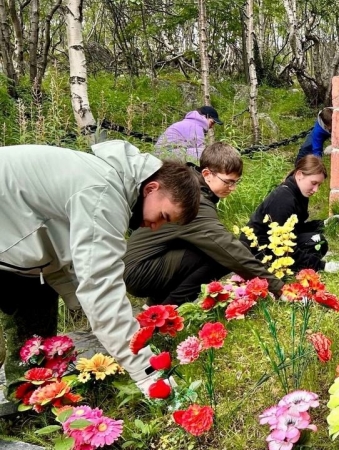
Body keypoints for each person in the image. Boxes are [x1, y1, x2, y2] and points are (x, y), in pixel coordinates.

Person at [0, 140, 200, 394]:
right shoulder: (103, 194)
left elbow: (61, 247)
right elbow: (101, 290)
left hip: (12, 246)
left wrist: (80, 306)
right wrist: (148, 374)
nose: (155, 226)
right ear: (151, 188)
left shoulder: (102, 178)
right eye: (163, 216)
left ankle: (28, 402)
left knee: (35, 308)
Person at [123, 143, 284, 306]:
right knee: (219, 255)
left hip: (141, 265)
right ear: (207, 173)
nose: (232, 188)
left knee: (210, 249)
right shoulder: (193, 201)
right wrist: (279, 288)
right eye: (228, 182)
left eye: (236, 182)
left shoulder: (189, 188)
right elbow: (229, 250)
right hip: (138, 272)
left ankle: (155, 306)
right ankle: (166, 312)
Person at [242, 156, 339, 274]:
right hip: (258, 254)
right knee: (315, 241)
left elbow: (296, 229)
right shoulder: (283, 199)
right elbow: (283, 244)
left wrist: (324, 224)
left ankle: (302, 268)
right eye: (313, 183)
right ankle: (297, 269)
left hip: (274, 246)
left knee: (318, 242)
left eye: (319, 185)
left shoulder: (299, 194)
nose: (315, 189)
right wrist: (322, 266)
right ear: (299, 175)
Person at [155, 105, 224, 159]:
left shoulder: (189, 123)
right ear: (205, 117)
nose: (211, 126)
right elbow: (200, 151)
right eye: (212, 122)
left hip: (162, 153)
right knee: (203, 154)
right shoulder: (195, 126)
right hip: (165, 154)